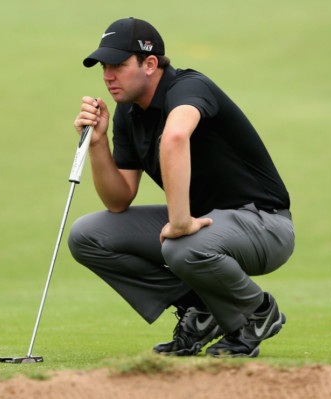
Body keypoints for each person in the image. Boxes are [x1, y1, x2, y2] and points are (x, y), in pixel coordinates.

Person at [68, 17, 295, 358]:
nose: (108, 75)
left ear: (150, 64)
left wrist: (180, 222)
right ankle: (201, 311)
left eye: (118, 64)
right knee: (88, 235)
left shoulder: (189, 88)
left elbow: (175, 137)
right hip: (207, 224)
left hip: (264, 224)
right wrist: (98, 144)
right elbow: (119, 199)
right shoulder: (128, 113)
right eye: (104, 66)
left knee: (181, 246)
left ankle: (256, 312)